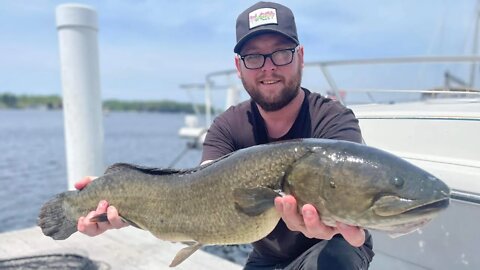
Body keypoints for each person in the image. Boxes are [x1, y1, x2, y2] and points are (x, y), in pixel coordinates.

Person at [76, 2, 374, 269]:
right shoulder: (227, 126)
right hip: (267, 256)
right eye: (253, 57)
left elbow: (355, 187)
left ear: (301, 57)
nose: (268, 67)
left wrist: (338, 224)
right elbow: (198, 193)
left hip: (334, 244)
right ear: (238, 67)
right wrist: (123, 204)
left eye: (281, 53)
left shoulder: (333, 121)